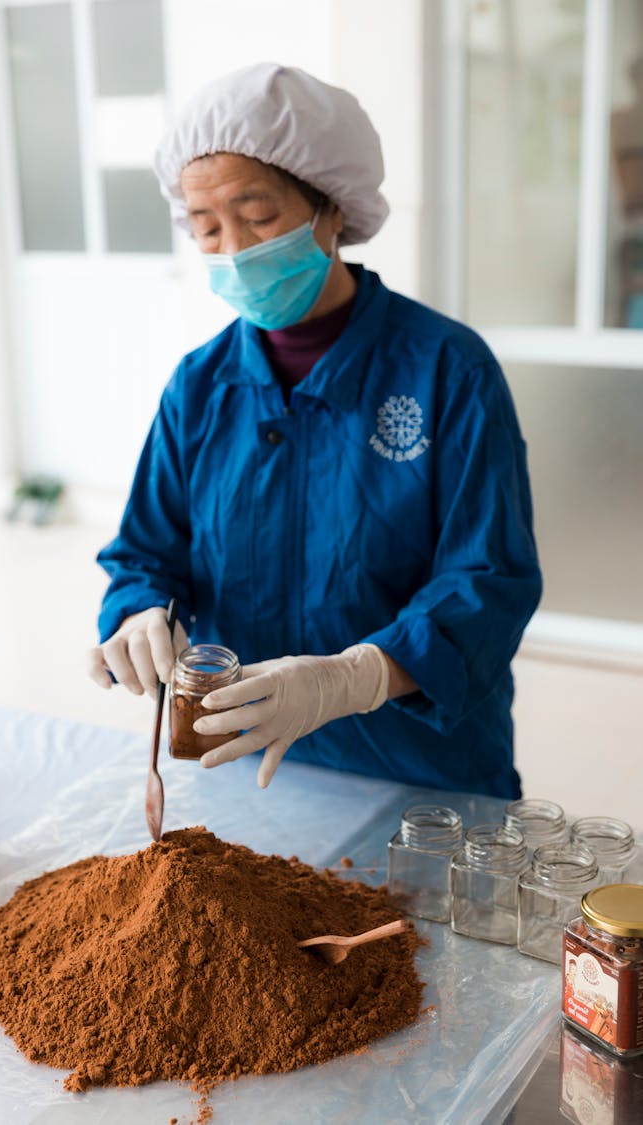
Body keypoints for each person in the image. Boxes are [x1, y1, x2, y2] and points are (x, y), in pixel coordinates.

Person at [88, 62, 542, 797]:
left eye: (259, 217)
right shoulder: (200, 387)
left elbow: (488, 577)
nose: (234, 248)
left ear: (332, 210)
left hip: (420, 770)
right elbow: (147, 551)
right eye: (207, 227)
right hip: (248, 768)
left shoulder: (447, 370)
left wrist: (352, 677)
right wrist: (140, 610)